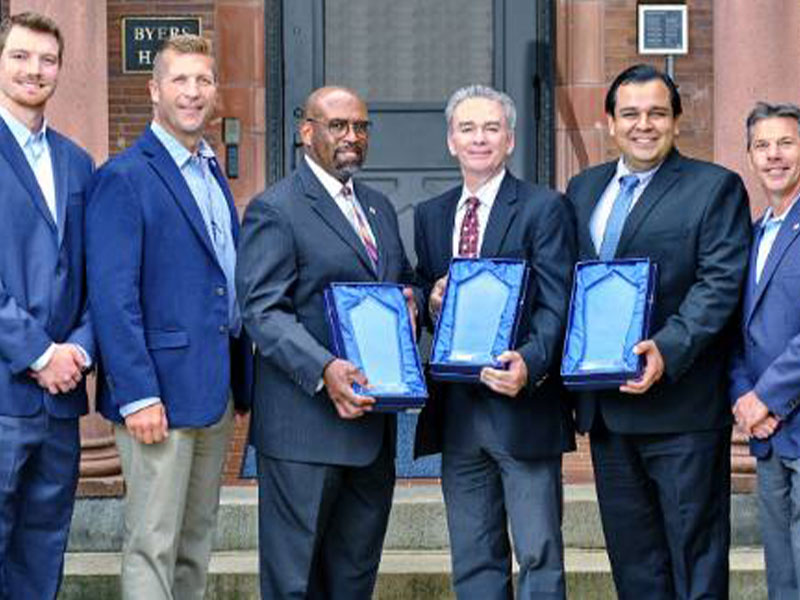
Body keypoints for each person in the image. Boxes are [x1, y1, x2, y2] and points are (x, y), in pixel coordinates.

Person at [565, 63, 751, 599]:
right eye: (630, 114)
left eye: (656, 113)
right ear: (610, 123)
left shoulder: (714, 188)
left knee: (694, 560)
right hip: (609, 412)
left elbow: (719, 284)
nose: (643, 124)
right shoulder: (583, 190)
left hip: (681, 412)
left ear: (675, 122)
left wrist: (667, 349)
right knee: (634, 563)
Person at [86, 34, 252, 599]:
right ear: (155, 90)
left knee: (195, 540)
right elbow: (113, 297)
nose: (193, 92)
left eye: (203, 80)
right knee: (152, 543)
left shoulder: (210, 173)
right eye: (180, 80)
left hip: (212, 389)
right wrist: (136, 394)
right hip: (155, 395)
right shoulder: (124, 177)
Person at [236, 85, 419, 599]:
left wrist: (412, 300)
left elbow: (399, 280)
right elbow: (263, 311)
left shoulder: (379, 208)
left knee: (353, 581)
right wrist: (323, 369)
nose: (352, 137)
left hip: (371, 431)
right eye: (338, 125)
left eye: (361, 126)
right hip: (304, 431)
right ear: (307, 132)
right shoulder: (276, 209)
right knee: (295, 583)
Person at [413, 84, 576, 599]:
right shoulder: (432, 215)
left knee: (537, 554)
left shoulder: (544, 208)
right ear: (450, 141)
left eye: (490, 128)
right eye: (467, 128)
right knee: (474, 558)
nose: (478, 138)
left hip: (522, 408)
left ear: (509, 140)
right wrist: (430, 300)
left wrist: (529, 363)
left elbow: (559, 302)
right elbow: (422, 289)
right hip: (459, 413)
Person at [0, 12, 95, 600]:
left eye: (47, 59)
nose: (35, 69)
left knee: (43, 550)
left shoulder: (77, 163)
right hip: (5, 393)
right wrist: (37, 352)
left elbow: (93, 276)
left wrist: (79, 348)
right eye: (20, 56)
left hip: (60, 403)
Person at [730, 101, 800, 599]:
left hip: (786, 413)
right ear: (750, 157)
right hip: (767, 431)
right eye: (762, 145)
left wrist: (768, 397)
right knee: (782, 570)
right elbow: (739, 331)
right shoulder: (753, 234)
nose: (774, 155)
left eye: (786, 143)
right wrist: (743, 399)